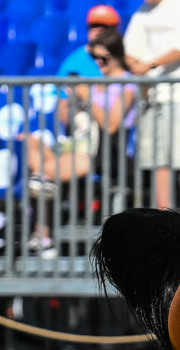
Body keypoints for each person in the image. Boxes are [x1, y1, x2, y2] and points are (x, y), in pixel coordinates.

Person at [24, 28, 139, 259]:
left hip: (106, 152)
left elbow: (113, 124)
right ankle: (43, 189)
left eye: (103, 58)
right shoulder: (96, 83)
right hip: (79, 143)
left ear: (117, 56)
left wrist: (86, 97)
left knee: (46, 174)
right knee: (31, 140)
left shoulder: (128, 85)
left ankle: (43, 232)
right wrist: (68, 103)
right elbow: (68, 121)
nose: (98, 63)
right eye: (94, 58)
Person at [123, 0, 180, 210]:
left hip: (179, 95)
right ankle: (164, 215)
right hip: (151, 96)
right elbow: (129, 50)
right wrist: (136, 66)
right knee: (160, 161)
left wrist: (149, 65)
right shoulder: (142, 12)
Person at [56, 5, 123, 79]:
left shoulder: (125, 58)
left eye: (106, 27)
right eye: (95, 26)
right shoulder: (76, 62)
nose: (99, 30)